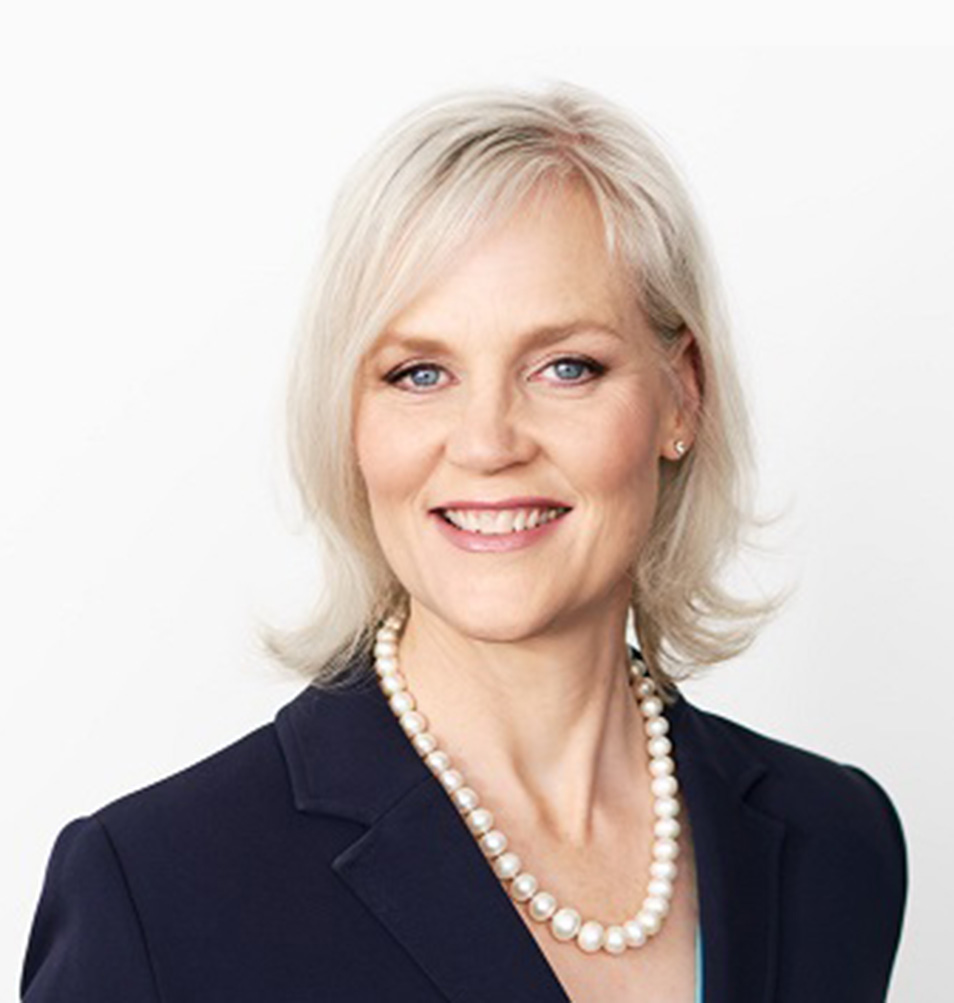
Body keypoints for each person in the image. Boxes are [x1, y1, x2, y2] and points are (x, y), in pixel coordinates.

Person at [20, 83, 907, 1003]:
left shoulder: (837, 842)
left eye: (566, 366)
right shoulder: (157, 891)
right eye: (419, 372)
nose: (487, 442)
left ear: (681, 395)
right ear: (349, 420)